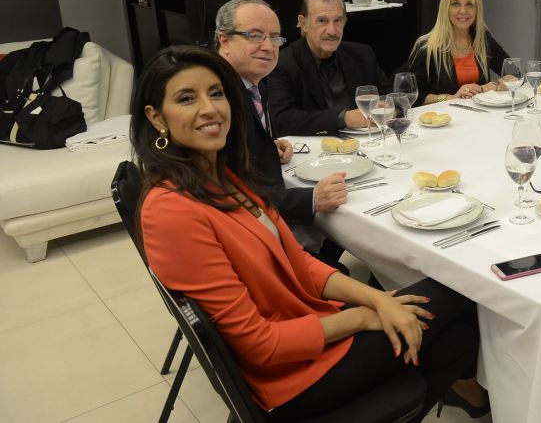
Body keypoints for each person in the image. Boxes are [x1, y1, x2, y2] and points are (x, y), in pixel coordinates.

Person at [132, 46, 487, 421]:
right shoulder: (171, 209)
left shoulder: (221, 175)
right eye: (187, 98)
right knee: (463, 290)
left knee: (458, 339)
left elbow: (296, 259)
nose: (209, 108)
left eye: (216, 93)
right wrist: (365, 316)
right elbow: (260, 346)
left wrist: (379, 300)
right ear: (156, 117)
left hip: (306, 326)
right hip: (289, 377)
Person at [214, 0, 348, 268]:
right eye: (254, 35)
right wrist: (310, 199)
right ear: (224, 40)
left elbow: (238, 151)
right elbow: (228, 189)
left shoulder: (252, 80)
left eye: (274, 37)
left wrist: (266, 144)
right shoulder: (218, 97)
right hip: (246, 240)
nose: (267, 46)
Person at [267, 0, 392, 136]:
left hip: (370, 139)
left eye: (338, 20)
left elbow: (388, 95)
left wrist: (389, 106)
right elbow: (282, 120)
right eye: (322, 21)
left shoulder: (362, 54)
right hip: (316, 149)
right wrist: (342, 118)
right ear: (303, 23)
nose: (332, 31)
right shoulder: (283, 63)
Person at [406, 0, 509, 104]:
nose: (463, 11)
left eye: (469, 5)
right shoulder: (426, 47)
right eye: (456, 4)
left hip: (481, 116)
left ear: (477, 9)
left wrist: (490, 86)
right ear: (446, 8)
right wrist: (451, 97)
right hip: (444, 119)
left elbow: (514, 74)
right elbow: (410, 96)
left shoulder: (483, 39)